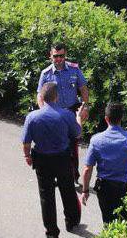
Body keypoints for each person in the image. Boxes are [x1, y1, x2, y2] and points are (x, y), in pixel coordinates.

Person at [22, 82, 82, 238]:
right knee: (67, 190)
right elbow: (77, 133)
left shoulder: (32, 117)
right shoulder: (66, 115)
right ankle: (72, 222)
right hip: (62, 158)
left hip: (41, 159)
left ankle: (52, 232)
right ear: (57, 97)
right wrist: (78, 118)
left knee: (46, 196)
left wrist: (27, 156)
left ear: (41, 97)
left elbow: (26, 143)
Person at [81, 101, 127, 223]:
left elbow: (87, 169)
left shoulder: (96, 140)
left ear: (106, 119)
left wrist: (85, 191)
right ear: (122, 118)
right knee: (125, 222)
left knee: (108, 221)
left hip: (104, 189)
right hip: (123, 189)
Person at [37, 42, 90, 186]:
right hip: (53, 113)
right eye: (56, 56)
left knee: (72, 145)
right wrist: (44, 113)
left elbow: (83, 89)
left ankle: (73, 178)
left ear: (65, 55)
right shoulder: (46, 74)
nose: (59, 59)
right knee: (54, 146)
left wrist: (85, 107)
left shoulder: (74, 69)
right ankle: (55, 177)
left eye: (61, 56)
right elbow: (40, 96)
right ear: (50, 56)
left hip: (71, 111)